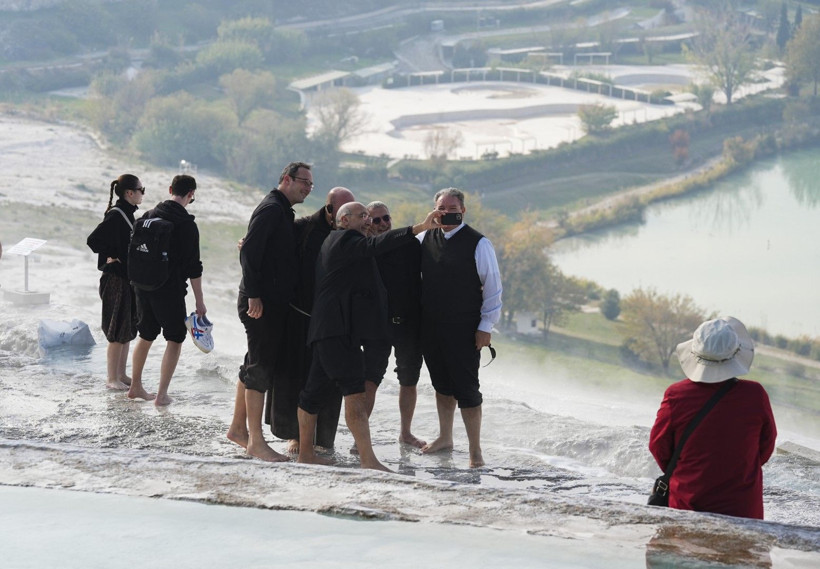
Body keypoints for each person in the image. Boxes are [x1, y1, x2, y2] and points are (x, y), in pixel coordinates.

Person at [296, 202, 441, 471]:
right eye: (362, 216)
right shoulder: (346, 239)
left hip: (326, 329)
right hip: (338, 331)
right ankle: (368, 460)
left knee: (312, 393)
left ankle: (306, 454)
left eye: (367, 216)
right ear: (343, 220)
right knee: (354, 392)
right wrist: (420, 227)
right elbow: (373, 247)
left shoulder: (334, 240)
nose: (367, 220)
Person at [649, 316, 777, 519]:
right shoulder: (755, 395)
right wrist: (733, 468)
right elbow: (765, 448)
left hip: (686, 505)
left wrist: (691, 472)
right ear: (736, 355)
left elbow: (658, 446)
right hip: (743, 512)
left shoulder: (676, 395)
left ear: (695, 353)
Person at [226, 162, 312, 462]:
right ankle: (256, 443)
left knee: (254, 364)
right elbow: (250, 250)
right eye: (304, 181)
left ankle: (238, 430)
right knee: (260, 369)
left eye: (311, 184)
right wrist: (254, 295)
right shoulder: (273, 209)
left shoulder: (283, 211)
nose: (308, 187)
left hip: (267, 301)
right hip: (260, 303)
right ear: (286, 179)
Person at [266, 186, 355, 454]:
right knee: (296, 378)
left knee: (330, 381)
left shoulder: (352, 234)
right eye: (342, 211)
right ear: (329, 209)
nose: (347, 217)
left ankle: (324, 439)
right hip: (300, 317)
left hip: (335, 322)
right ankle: (294, 435)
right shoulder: (303, 228)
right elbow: (271, 250)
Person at [418, 188, 502, 468]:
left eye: (452, 207)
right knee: (441, 385)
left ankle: (475, 451)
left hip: (465, 328)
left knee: (467, 389)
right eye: (441, 207)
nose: (446, 212)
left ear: (463, 210)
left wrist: (486, 326)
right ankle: (445, 437)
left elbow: (492, 288)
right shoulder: (424, 237)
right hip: (431, 327)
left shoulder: (479, 243)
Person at [128, 174, 205, 406]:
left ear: (170, 189)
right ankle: (161, 395)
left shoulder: (147, 216)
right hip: (169, 290)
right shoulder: (187, 225)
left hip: (142, 286)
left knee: (146, 334)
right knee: (175, 338)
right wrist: (200, 302)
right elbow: (194, 267)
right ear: (191, 194)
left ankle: (135, 387)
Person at [361, 200, 426, 448]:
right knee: (371, 379)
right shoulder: (364, 246)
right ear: (368, 221)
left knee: (409, 379)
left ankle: (406, 433)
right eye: (376, 220)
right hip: (376, 326)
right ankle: (361, 436)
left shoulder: (409, 244)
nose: (382, 224)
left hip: (408, 323)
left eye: (385, 218)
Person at [86, 174, 144, 391]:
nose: (142, 194)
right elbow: (93, 240)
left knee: (127, 328)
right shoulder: (117, 215)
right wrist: (111, 256)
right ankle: (112, 378)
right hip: (115, 280)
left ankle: (121, 373)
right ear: (130, 193)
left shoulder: (127, 214)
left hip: (126, 279)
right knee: (117, 327)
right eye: (141, 190)